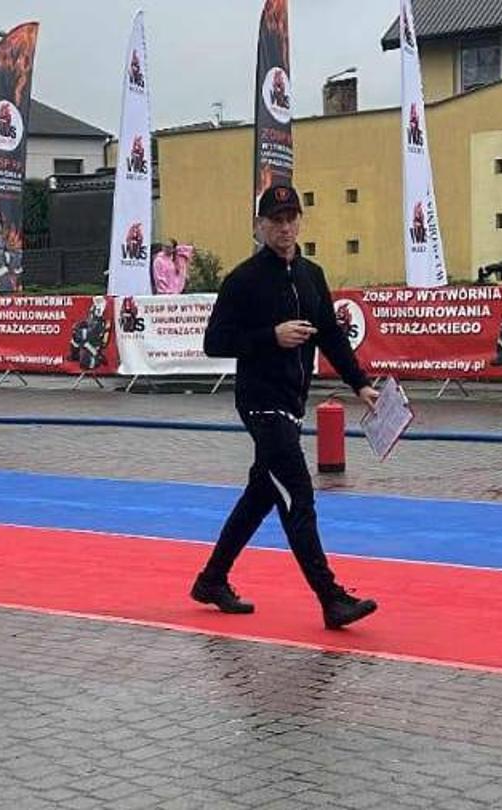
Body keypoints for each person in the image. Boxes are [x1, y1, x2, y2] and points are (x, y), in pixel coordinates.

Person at [196, 181, 380, 631]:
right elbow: (214, 342)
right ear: (260, 226)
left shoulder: (311, 275)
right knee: (298, 493)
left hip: (292, 403)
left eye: (290, 219)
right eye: (275, 220)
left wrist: (360, 385)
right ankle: (331, 597)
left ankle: (212, 579)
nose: (284, 227)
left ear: (300, 221)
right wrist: (269, 337)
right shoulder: (243, 279)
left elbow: (332, 336)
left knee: (261, 494)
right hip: (260, 403)